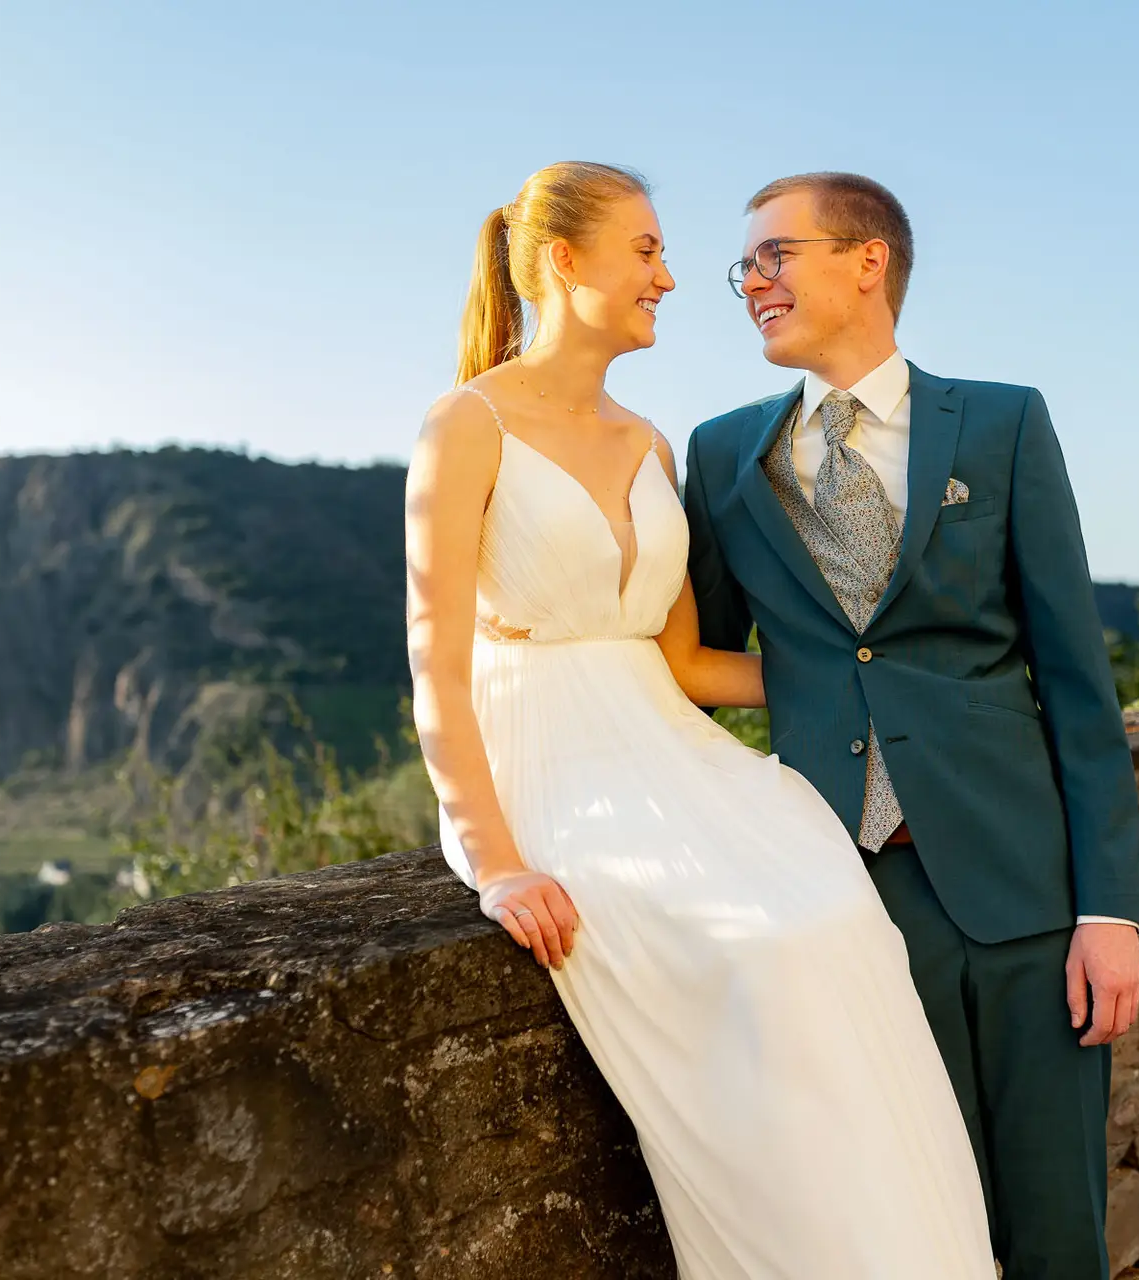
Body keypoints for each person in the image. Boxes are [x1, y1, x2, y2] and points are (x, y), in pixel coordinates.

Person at [405, 161, 997, 1278]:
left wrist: (870, 679)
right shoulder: (465, 423)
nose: (672, 278)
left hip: (670, 746)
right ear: (561, 261)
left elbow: (682, 659)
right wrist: (494, 860)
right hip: (551, 763)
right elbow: (433, 662)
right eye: (646, 252)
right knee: (762, 950)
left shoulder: (649, 444)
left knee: (840, 916)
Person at [681, 172, 1139, 1279]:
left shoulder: (1001, 422)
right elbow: (693, 658)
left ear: (867, 260)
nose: (752, 282)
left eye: (775, 255)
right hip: (849, 898)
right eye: (744, 264)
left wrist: (1109, 908)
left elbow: (1077, 677)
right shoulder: (719, 455)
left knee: (1054, 1225)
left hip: (1026, 888)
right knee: (917, 1233)